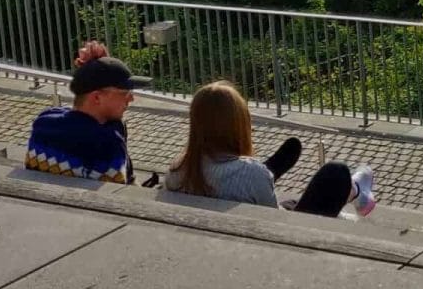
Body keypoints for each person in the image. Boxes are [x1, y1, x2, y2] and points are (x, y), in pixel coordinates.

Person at [161, 80, 377, 218]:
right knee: (335, 173)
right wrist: (260, 176)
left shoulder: (178, 169)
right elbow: (276, 220)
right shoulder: (253, 173)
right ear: (239, 125)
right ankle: (356, 191)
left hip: (232, 207)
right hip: (272, 235)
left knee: (286, 196)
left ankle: (272, 172)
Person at [25, 51, 149, 183]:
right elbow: (119, 192)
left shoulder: (44, 121)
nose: (131, 98)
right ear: (96, 97)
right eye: (124, 93)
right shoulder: (106, 141)